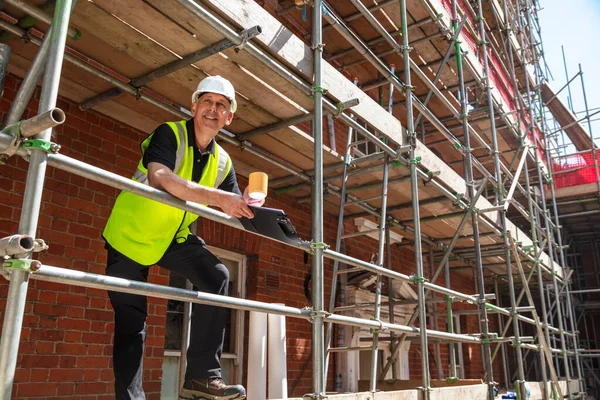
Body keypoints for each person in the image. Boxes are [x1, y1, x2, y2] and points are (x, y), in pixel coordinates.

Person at [103, 75, 262, 400]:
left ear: (229, 117)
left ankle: (202, 377)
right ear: (194, 106)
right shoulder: (169, 132)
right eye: (207, 101)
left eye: (222, 105)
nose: (213, 109)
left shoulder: (223, 161)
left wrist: (250, 203)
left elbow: (232, 206)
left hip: (171, 237)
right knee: (133, 326)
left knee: (217, 276)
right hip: (130, 236)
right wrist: (220, 199)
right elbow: (160, 177)